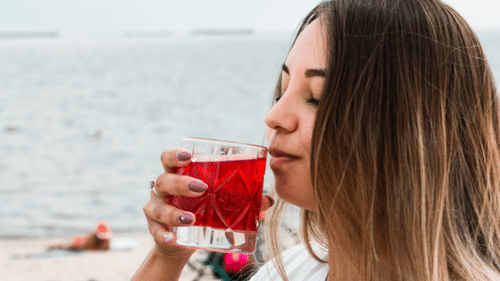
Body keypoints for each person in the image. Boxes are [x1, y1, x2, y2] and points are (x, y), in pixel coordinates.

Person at [132, 0, 500, 280]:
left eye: (317, 97)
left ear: (410, 130)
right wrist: (167, 257)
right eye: (281, 91)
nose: (274, 117)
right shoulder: (287, 273)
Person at [48, 220, 112, 251]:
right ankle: (52, 246)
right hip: (79, 242)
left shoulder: (105, 242)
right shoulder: (90, 240)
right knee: (64, 246)